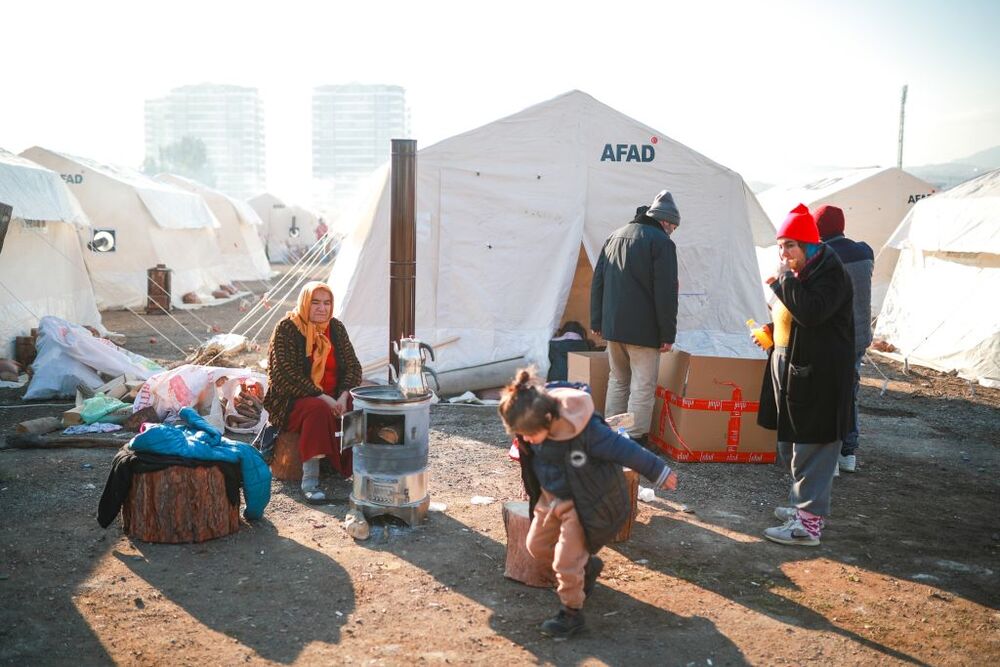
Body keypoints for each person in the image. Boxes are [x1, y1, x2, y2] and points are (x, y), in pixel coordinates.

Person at [498, 368, 678, 638]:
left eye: (529, 434)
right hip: (552, 496)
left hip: (586, 502)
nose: (525, 440)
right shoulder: (530, 417)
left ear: (548, 419)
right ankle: (588, 567)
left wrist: (660, 472)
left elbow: (625, 449)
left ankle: (572, 614)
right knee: (536, 545)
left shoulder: (585, 429)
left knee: (565, 563)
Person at [755, 204, 855, 547]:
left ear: (810, 246)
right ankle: (801, 506)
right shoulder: (802, 273)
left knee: (813, 447)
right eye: (780, 245)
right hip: (793, 366)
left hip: (821, 377)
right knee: (791, 445)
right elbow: (793, 316)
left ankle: (806, 526)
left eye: (790, 246)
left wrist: (782, 280)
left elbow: (812, 312)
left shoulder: (830, 274)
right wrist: (772, 333)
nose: (783, 253)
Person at [590, 191, 680, 444]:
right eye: (673, 226)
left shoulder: (614, 236)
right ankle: (633, 439)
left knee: (618, 381)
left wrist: (597, 321)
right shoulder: (662, 243)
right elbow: (666, 293)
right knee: (642, 385)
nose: (672, 231)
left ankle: (613, 437)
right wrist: (667, 335)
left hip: (613, 327)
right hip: (644, 331)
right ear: (664, 221)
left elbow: (598, 282)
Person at [262, 281, 362, 502]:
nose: (322, 308)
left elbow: (353, 366)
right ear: (305, 302)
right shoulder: (288, 328)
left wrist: (344, 395)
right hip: (294, 400)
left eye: (327, 303)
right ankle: (310, 479)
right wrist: (323, 397)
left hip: (335, 397)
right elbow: (283, 374)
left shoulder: (335, 328)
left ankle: (355, 469)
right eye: (315, 302)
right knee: (317, 410)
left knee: (359, 405)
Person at [816, 205, 873, 474]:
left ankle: (829, 455)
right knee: (850, 393)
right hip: (859, 337)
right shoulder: (864, 253)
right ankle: (848, 453)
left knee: (827, 396)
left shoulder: (824, 256)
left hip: (834, 338)